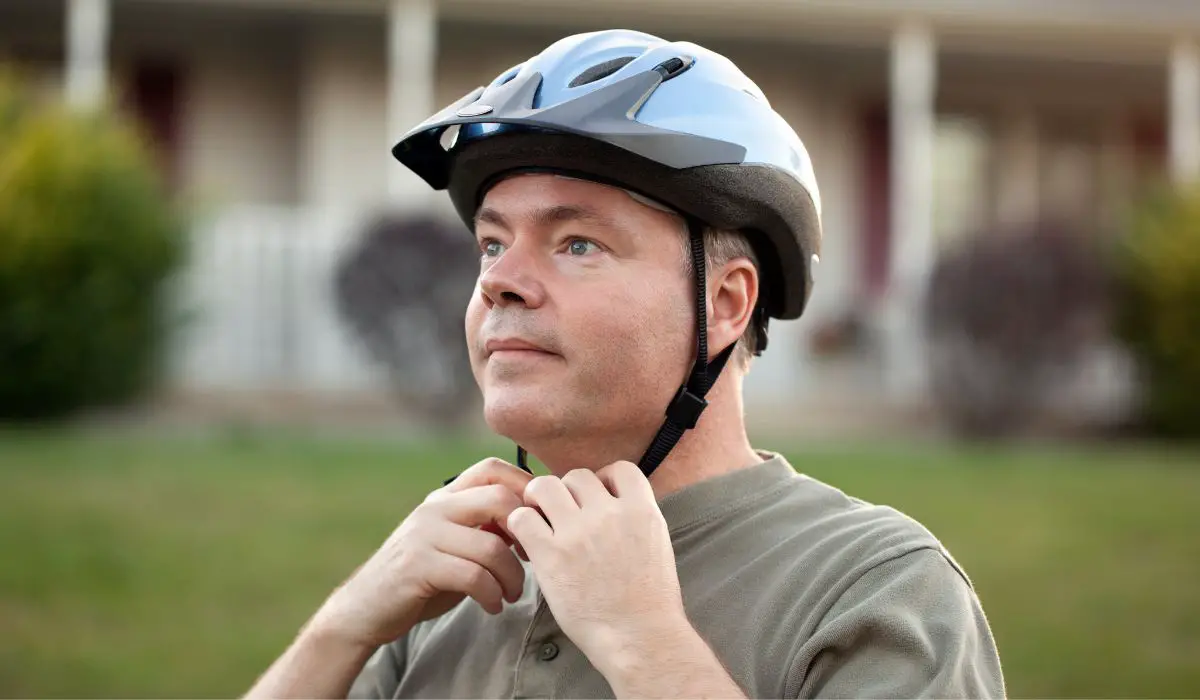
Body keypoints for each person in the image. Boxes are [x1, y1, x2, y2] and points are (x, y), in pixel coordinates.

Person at [246, 29, 1006, 699]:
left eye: (577, 243)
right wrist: (344, 629)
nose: (498, 279)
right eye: (491, 242)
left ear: (729, 304)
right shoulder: (451, 589)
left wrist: (642, 640)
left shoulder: (875, 588)